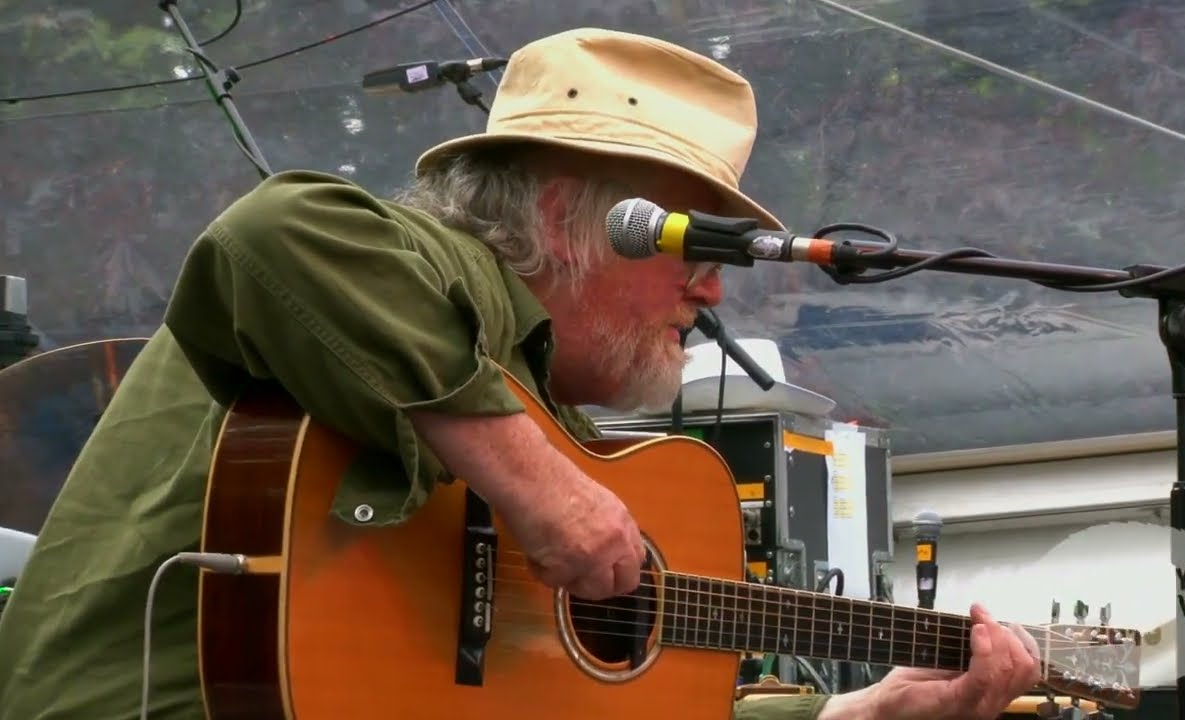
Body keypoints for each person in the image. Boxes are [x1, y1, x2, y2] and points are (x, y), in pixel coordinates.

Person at [0, 27, 1040, 720]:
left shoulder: (530, 403)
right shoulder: (450, 277)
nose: (713, 295)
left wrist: (861, 709)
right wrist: (546, 495)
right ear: (562, 223)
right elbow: (276, 228)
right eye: (696, 250)